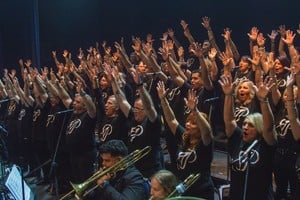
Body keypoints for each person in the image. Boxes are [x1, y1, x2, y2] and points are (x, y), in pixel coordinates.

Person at [219, 75, 277, 200]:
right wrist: (228, 96)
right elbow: (229, 121)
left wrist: (264, 101)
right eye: (244, 124)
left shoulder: (265, 144)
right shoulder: (238, 139)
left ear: (259, 128)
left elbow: (269, 127)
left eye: (250, 125)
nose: (245, 127)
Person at [157, 81, 215, 199]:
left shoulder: (205, 143)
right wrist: (163, 100)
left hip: (201, 191)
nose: (188, 124)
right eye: (188, 121)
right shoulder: (185, 136)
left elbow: (207, 131)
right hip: (184, 189)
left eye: (193, 123)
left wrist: (195, 111)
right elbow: (172, 120)